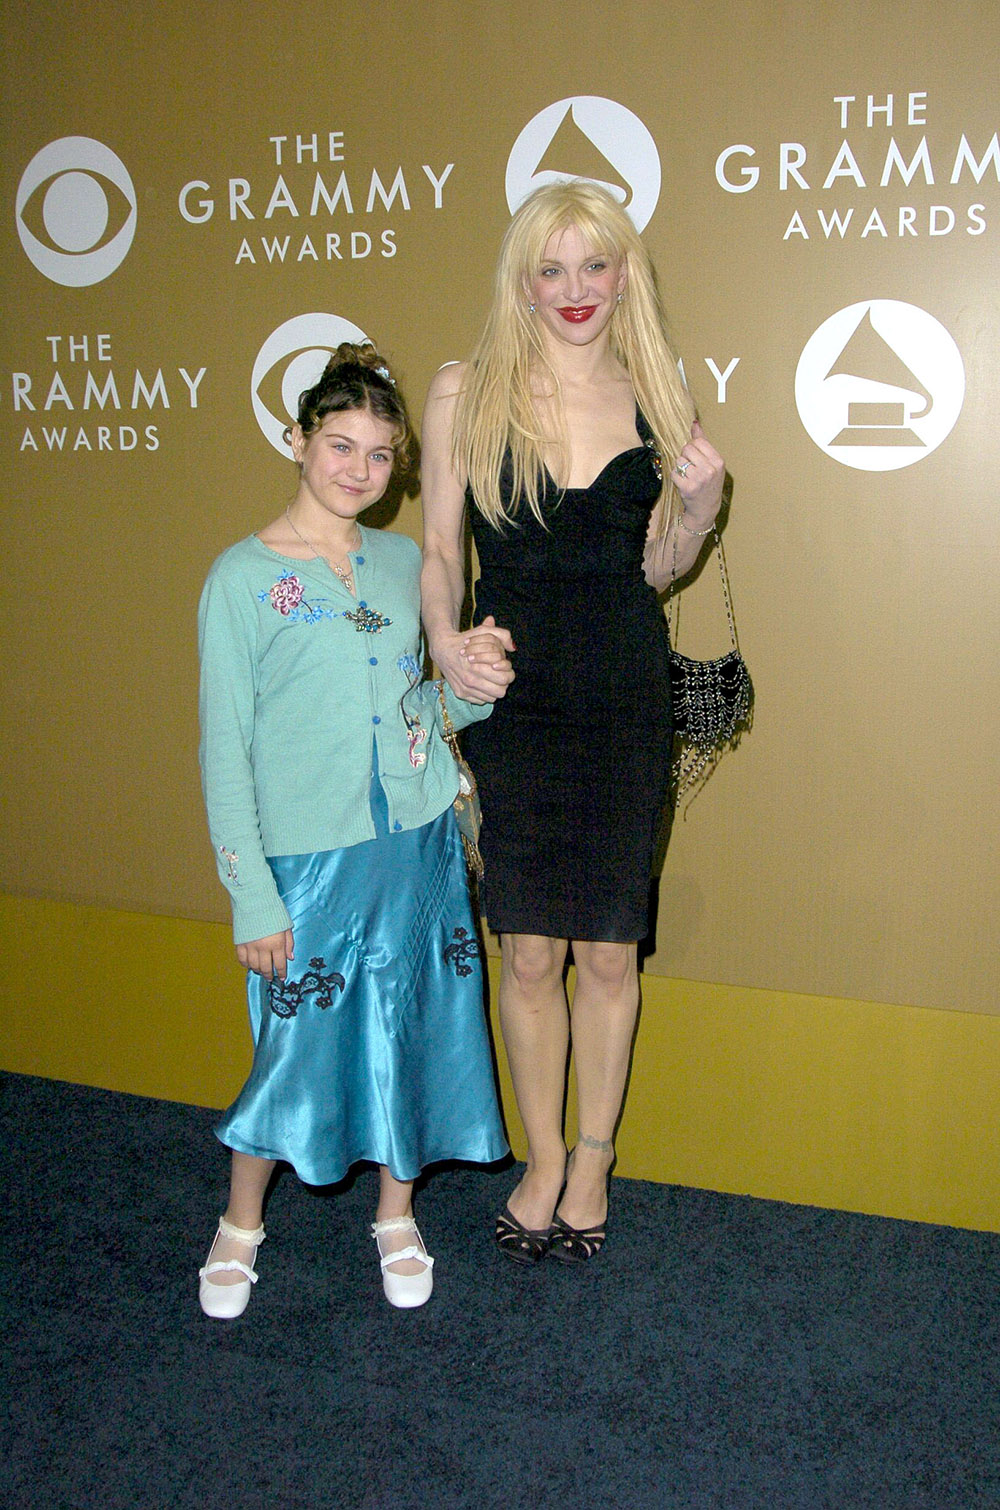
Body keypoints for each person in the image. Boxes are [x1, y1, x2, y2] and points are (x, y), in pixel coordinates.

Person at [420, 180, 725, 1264]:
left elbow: (657, 569)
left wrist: (693, 510)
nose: (574, 289)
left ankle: (594, 1156)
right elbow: (440, 549)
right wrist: (445, 643)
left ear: (623, 272)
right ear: (521, 280)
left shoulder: (657, 391)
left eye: (593, 265)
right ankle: (539, 1159)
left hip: (620, 701)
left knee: (605, 955)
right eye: (550, 269)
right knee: (528, 954)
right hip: (514, 703)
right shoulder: (467, 391)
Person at [197, 343, 508, 1317]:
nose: (359, 471)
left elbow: (413, 708)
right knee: (292, 1049)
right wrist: (254, 895)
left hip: (413, 850)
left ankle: (395, 1214)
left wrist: (472, 687)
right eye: (339, 446)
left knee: (414, 1028)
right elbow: (225, 749)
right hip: (308, 865)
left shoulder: (404, 560)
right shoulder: (240, 579)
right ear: (296, 441)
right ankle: (239, 1225)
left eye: (379, 455)